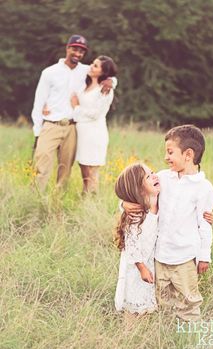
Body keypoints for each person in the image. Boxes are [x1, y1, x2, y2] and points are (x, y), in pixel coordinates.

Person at [123, 125, 213, 321]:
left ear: (188, 155)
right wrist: (124, 204)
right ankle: (165, 329)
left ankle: (189, 330)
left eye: (170, 152)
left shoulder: (204, 188)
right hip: (160, 255)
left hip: (185, 256)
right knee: (162, 299)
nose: (166, 157)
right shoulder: (164, 177)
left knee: (188, 300)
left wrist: (204, 255)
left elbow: (205, 224)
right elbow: (138, 189)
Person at [31, 34, 114, 192]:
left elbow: (107, 73)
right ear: (67, 48)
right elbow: (38, 102)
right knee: (41, 167)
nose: (77, 53)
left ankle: (57, 204)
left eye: (81, 51)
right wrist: (37, 131)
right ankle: (34, 200)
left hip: (72, 127)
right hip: (51, 125)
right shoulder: (49, 72)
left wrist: (112, 82)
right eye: (74, 49)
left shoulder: (86, 71)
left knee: (65, 171)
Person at [114, 163, 160, 314]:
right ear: (139, 190)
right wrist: (141, 268)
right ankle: (129, 331)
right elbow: (132, 244)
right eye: (148, 176)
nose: (154, 175)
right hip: (137, 266)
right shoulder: (136, 213)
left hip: (150, 261)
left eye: (152, 172)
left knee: (146, 301)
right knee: (134, 301)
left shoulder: (159, 198)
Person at [70, 55, 117, 193]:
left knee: (92, 171)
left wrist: (76, 107)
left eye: (95, 65)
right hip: (82, 133)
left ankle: (93, 200)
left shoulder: (105, 90)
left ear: (103, 72)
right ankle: (85, 197)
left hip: (94, 133)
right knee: (83, 169)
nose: (91, 66)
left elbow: (96, 113)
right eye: (92, 63)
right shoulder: (86, 85)